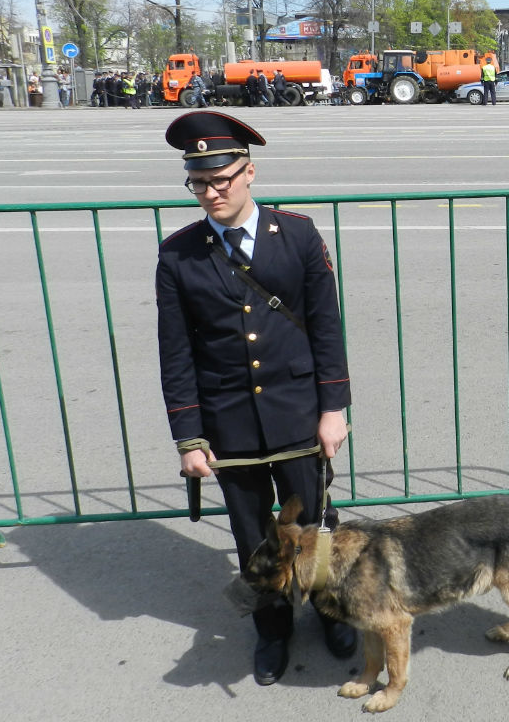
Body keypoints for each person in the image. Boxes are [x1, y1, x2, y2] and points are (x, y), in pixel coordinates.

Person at [156, 111, 358, 685]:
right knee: (252, 537)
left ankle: (331, 611)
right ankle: (272, 631)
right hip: (229, 424)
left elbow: (325, 328)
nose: (212, 192)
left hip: (298, 414)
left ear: (250, 172)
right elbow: (177, 353)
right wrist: (190, 437)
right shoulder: (178, 256)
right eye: (199, 182)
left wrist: (332, 408)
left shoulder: (296, 235)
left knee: (313, 527)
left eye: (223, 178)